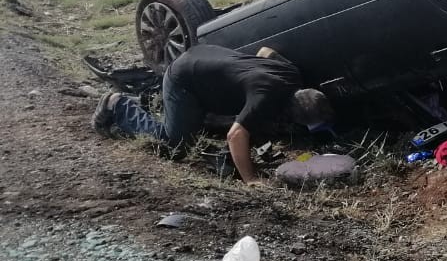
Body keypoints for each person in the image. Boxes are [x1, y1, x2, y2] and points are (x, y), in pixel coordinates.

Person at [92, 45, 336, 183]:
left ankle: (157, 104)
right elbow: (235, 136)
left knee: (198, 122)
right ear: (292, 113)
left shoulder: (292, 74)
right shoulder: (265, 98)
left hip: (205, 54)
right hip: (184, 79)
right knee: (177, 145)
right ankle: (120, 105)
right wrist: (250, 179)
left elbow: (264, 52)